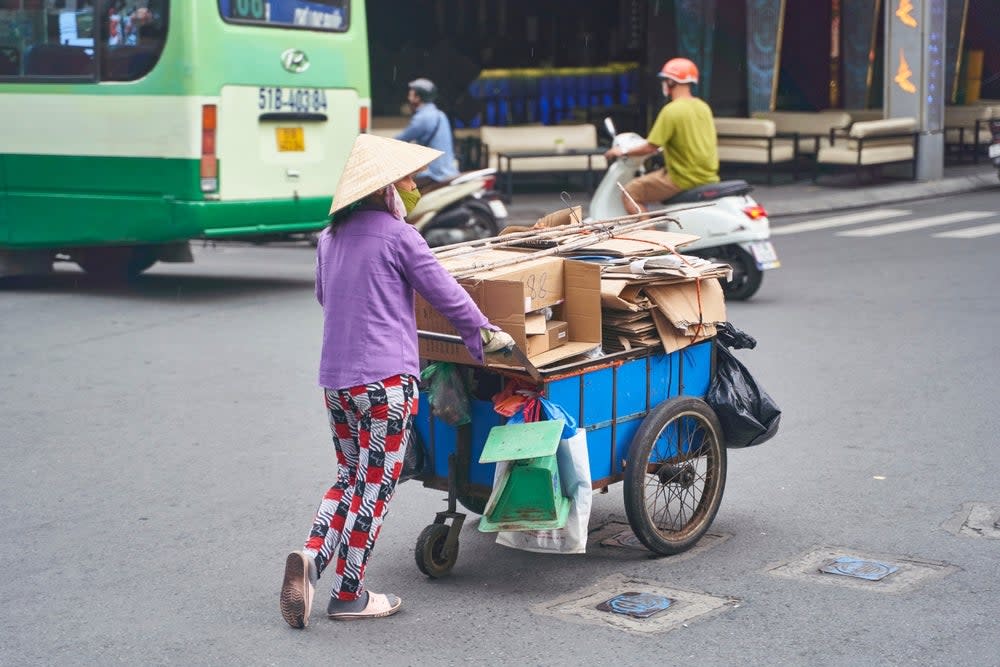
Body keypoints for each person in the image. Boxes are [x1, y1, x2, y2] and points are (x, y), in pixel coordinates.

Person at [279, 133, 513, 627]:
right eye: (406, 179)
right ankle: (348, 594)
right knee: (376, 487)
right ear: (383, 189)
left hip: (337, 383)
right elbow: (445, 293)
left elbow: (328, 298)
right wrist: (484, 336)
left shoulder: (330, 238)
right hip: (385, 384)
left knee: (348, 478)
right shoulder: (399, 236)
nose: (413, 186)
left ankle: (313, 557)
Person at [603, 57, 720, 215]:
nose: (663, 84)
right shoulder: (703, 107)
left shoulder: (671, 110)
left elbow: (651, 146)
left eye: (665, 80)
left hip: (683, 178)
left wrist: (622, 152)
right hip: (707, 175)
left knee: (630, 192)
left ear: (671, 82)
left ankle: (651, 236)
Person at [395, 78, 459, 188]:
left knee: (400, 187)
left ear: (418, 98)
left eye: (411, 95)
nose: (408, 98)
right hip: (449, 171)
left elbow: (399, 141)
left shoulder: (422, 118)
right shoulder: (440, 115)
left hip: (433, 174)